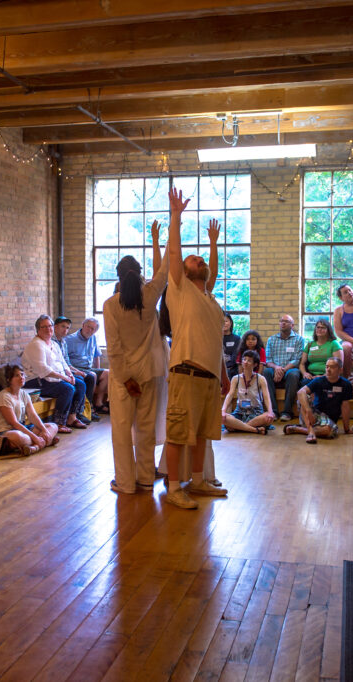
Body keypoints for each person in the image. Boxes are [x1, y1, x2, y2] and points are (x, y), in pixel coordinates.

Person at [162, 187, 228, 509]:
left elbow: (212, 270)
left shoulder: (208, 297)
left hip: (209, 375)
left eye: (202, 259)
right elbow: (174, 254)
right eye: (196, 258)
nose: (200, 258)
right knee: (178, 433)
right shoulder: (180, 289)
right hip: (186, 370)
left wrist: (214, 245)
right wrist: (176, 217)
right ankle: (174, 488)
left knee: (202, 434)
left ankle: (199, 480)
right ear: (185, 272)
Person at [104, 220, 169, 494]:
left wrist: (125, 379)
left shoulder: (111, 305)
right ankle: (144, 477)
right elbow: (164, 271)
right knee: (145, 427)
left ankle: (126, 483)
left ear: (118, 276)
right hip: (151, 372)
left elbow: (114, 348)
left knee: (121, 430)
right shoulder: (150, 295)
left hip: (124, 378)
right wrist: (162, 239)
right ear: (140, 274)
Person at [22, 314, 87, 433]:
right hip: (35, 380)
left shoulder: (54, 344)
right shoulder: (36, 345)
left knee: (80, 384)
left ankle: (72, 417)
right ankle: (59, 422)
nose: (48, 329)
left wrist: (70, 374)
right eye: (44, 327)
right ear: (38, 329)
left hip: (53, 378)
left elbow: (63, 362)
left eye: (50, 326)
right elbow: (43, 370)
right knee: (67, 389)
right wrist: (65, 378)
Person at [0, 365, 58, 459]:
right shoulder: (3, 397)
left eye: (22, 374)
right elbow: (13, 423)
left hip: (20, 428)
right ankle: (45, 442)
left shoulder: (24, 394)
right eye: (16, 375)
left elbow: (33, 416)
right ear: (9, 380)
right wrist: (35, 437)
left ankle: (35, 447)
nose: (21, 377)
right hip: (3, 432)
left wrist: (45, 431)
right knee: (21, 438)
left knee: (53, 426)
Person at [286, 357, 353, 443]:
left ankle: (299, 429)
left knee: (329, 431)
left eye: (332, 367)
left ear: (340, 370)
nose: (328, 369)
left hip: (328, 421)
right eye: (327, 367)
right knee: (303, 397)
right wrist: (309, 410)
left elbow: (345, 407)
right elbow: (300, 392)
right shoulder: (319, 380)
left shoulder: (346, 384)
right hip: (311, 416)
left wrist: (346, 429)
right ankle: (310, 432)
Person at [51, 316, 96, 425]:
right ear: (55, 327)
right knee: (80, 382)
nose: (65, 330)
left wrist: (74, 371)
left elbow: (67, 363)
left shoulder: (63, 342)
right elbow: (54, 365)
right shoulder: (51, 342)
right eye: (63, 327)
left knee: (87, 377)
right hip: (56, 374)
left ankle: (82, 411)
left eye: (67, 328)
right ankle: (74, 415)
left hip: (65, 371)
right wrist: (72, 374)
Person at [263, 314, 305, 421]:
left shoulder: (299, 339)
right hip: (274, 368)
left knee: (294, 374)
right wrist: (277, 368)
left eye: (286, 321)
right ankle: (273, 411)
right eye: (281, 321)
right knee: (266, 372)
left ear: (292, 325)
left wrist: (283, 370)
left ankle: (287, 412)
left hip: (289, 369)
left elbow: (296, 360)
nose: (283, 323)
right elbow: (268, 360)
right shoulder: (271, 339)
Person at [222, 350, 274, 435]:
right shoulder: (236, 378)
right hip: (240, 411)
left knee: (267, 418)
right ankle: (254, 430)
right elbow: (230, 395)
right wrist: (223, 410)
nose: (245, 362)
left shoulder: (260, 379)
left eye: (249, 360)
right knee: (225, 418)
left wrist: (270, 411)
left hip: (256, 411)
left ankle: (238, 427)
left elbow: (266, 396)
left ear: (255, 364)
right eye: (244, 359)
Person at [65, 317, 110, 416]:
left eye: (93, 329)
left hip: (88, 368)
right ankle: (89, 407)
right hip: (75, 367)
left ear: (95, 331)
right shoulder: (70, 340)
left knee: (107, 373)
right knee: (92, 375)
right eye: (88, 327)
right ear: (83, 325)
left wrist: (98, 369)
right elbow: (63, 359)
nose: (89, 330)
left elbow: (96, 355)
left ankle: (98, 403)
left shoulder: (93, 338)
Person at [222, 314, 241, 378]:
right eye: (222, 321)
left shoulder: (237, 339)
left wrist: (227, 367)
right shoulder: (216, 338)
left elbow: (235, 356)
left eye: (226, 321)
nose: (224, 323)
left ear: (231, 323)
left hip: (232, 368)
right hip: (217, 368)